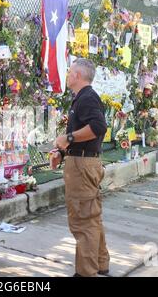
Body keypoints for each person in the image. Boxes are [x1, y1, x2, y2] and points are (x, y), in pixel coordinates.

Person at [51, 58, 110, 277]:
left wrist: (68, 137)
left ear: (77, 75)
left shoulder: (87, 98)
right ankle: (101, 264)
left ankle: (86, 272)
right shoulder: (83, 98)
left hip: (82, 166)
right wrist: (62, 151)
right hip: (83, 161)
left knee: (82, 220)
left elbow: (98, 127)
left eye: (69, 72)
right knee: (91, 216)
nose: (67, 76)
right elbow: (82, 137)